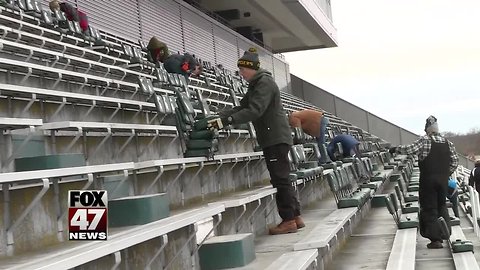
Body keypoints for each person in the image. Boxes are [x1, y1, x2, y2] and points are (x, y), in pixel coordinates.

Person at [211, 47, 303, 235]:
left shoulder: (264, 83)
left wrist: (227, 121)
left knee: (280, 179)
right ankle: (295, 217)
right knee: (282, 178)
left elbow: (255, 110)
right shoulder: (256, 85)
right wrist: (220, 116)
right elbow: (242, 107)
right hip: (273, 137)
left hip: (275, 138)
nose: (241, 74)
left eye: (242, 70)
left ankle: (288, 220)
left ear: (251, 68)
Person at [389, 115, 459, 249]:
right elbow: (455, 161)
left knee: (429, 208)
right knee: (442, 206)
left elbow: (409, 149)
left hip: (428, 180)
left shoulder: (425, 140)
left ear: (427, 129)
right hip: (443, 181)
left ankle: (435, 239)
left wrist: (395, 149)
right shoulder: (447, 142)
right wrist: (445, 173)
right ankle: (445, 233)